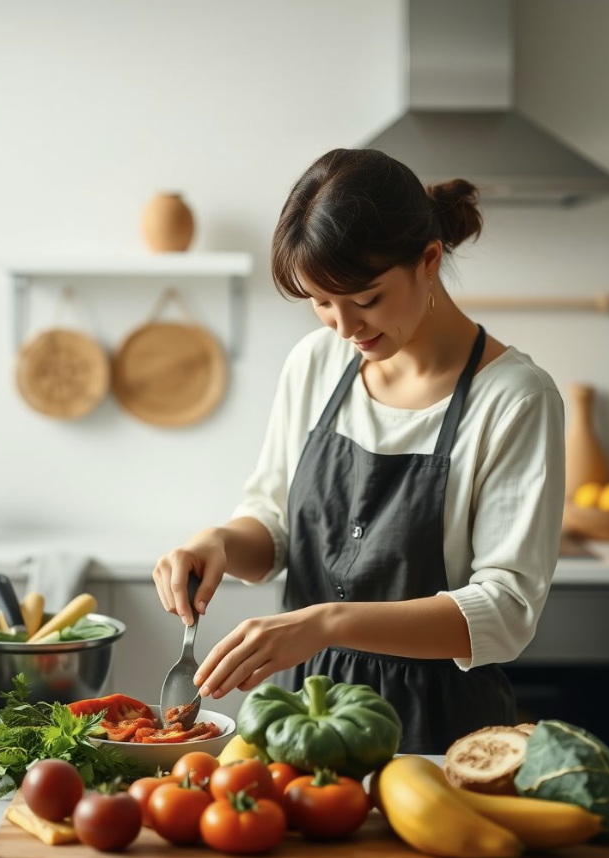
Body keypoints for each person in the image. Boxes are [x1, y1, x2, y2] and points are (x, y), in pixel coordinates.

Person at [152, 148, 565, 753]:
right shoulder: (315, 363)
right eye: (321, 302)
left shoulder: (515, 399)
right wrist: (218, 543)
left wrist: (327, 623)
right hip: (298, 714)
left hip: (436, 731)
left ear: (429, 261)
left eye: (366, 300)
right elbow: (275, 525)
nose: (345, 328)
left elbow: (505, 612)